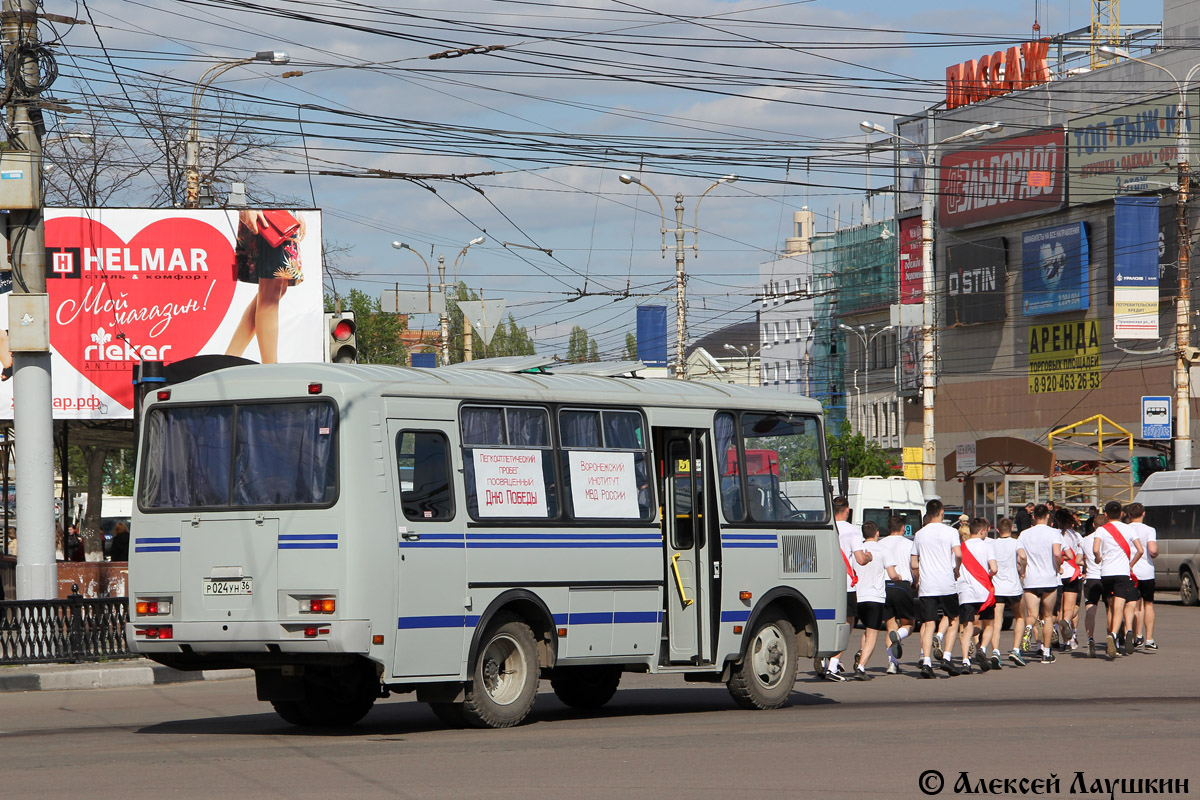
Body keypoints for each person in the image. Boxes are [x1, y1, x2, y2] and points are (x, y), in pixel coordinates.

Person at [225, 209, 306, 364]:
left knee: (279, 287)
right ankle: (270, 364)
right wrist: (245, 207)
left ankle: (230, 357)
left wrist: (296, 213)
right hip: (266, 214)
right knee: (271, 288)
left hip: (281, 214)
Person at [911, 499, 964, 678]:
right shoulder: (950, 532)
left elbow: (913, 563)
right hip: (946, 582)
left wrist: (916, 579)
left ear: (927, 513)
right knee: (953, 619)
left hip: (928, 585)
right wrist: (957, 568)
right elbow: (958, 553)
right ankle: (947, 656)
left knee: (928, 623)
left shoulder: (920, 534)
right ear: (942, 512)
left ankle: (926, 661)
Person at [825, 495, 871, 681]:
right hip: (845, 583)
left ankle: (824, 660)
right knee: (847, 623)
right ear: (846, 510)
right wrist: (868, 557)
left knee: (828, 621)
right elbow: (860, 559)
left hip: (827, 582)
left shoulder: (826, 527)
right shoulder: (852, 530)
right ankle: (833, 665)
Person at [1093, 500, 1144, 659]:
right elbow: (1140, 550)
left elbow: (1095, 549)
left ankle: (1111, 634)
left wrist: (1099, 558)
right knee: (1120, 607)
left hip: (1106, 573)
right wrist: (1131, 564)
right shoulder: (1128, 529)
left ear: (1106, 515)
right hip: (1122, 573)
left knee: (1110, 607)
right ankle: (1114, 634)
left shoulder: (1101, 530)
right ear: (1121, 514)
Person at [1016, 504, 1062, 664]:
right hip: (1049, 578)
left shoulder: (1024, 534)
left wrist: (1022, 570)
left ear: (1033, 516)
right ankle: (1046, 652)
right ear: (1048, 516)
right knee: (1048, 616)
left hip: (1031, 579)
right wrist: (1058, 566)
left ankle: (1028, 630)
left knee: (1032, 615)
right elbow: (1057, 553)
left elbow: (1021, 556)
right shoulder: (1054, 533)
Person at [957, 517, 998, 673]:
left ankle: (965, 661)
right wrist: (988, 576)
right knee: (988, 624)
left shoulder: (962, 546)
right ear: (981, 531)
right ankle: (982, 648)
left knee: (966, 627)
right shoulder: (987, 546)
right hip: (984, 592)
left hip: (965, 592)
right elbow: (993, 568)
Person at [879, 514, 916, 675]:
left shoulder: (881, 544)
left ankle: (892, 663)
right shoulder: (909, 544)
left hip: (884, 586)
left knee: (890, 625)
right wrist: (916, 581)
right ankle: (899, 636)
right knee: (909, 624)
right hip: (902, 585)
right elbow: (914, 566)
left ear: (888, 529)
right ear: (903, 528)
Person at [851, 521, 889, 680]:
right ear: (877, 533)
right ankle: (861, 666)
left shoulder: (857, 551)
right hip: (875, 597)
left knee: (859, 630)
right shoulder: (883, 550)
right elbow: (892, 573)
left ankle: (836, 661)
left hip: (857, 595)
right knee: (872, 633)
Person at [990, 517, 1026, 666]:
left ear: (997, 530)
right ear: (1012, 529)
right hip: (1013, 587)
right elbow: (1023, 556)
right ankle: (1016, 649)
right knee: (1020, 617)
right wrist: (1022, 569)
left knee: (996, 621)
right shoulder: (1016, 542)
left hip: (997, 587)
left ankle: (996, 651)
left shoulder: (992, 543)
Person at [1125, 502, 1158, 650]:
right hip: (1146, 571)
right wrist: (1155, 554)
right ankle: (1149, 639)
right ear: (1143, 514)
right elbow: (1152, 549)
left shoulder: (1124, 529)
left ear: (1129, 515)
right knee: (1148, 604)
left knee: (1132, 604)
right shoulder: (1149, 530)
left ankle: (1134, 635)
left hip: (1129, 571)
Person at [1055, 507, 1084, 651]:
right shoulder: (1076, 536)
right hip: (1073, 573)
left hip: (1058, 574)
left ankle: (1064, 638)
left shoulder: (1054, 535)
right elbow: (1081, 553)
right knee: (1070, 608)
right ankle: (1069, 637)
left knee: (1059, 609)